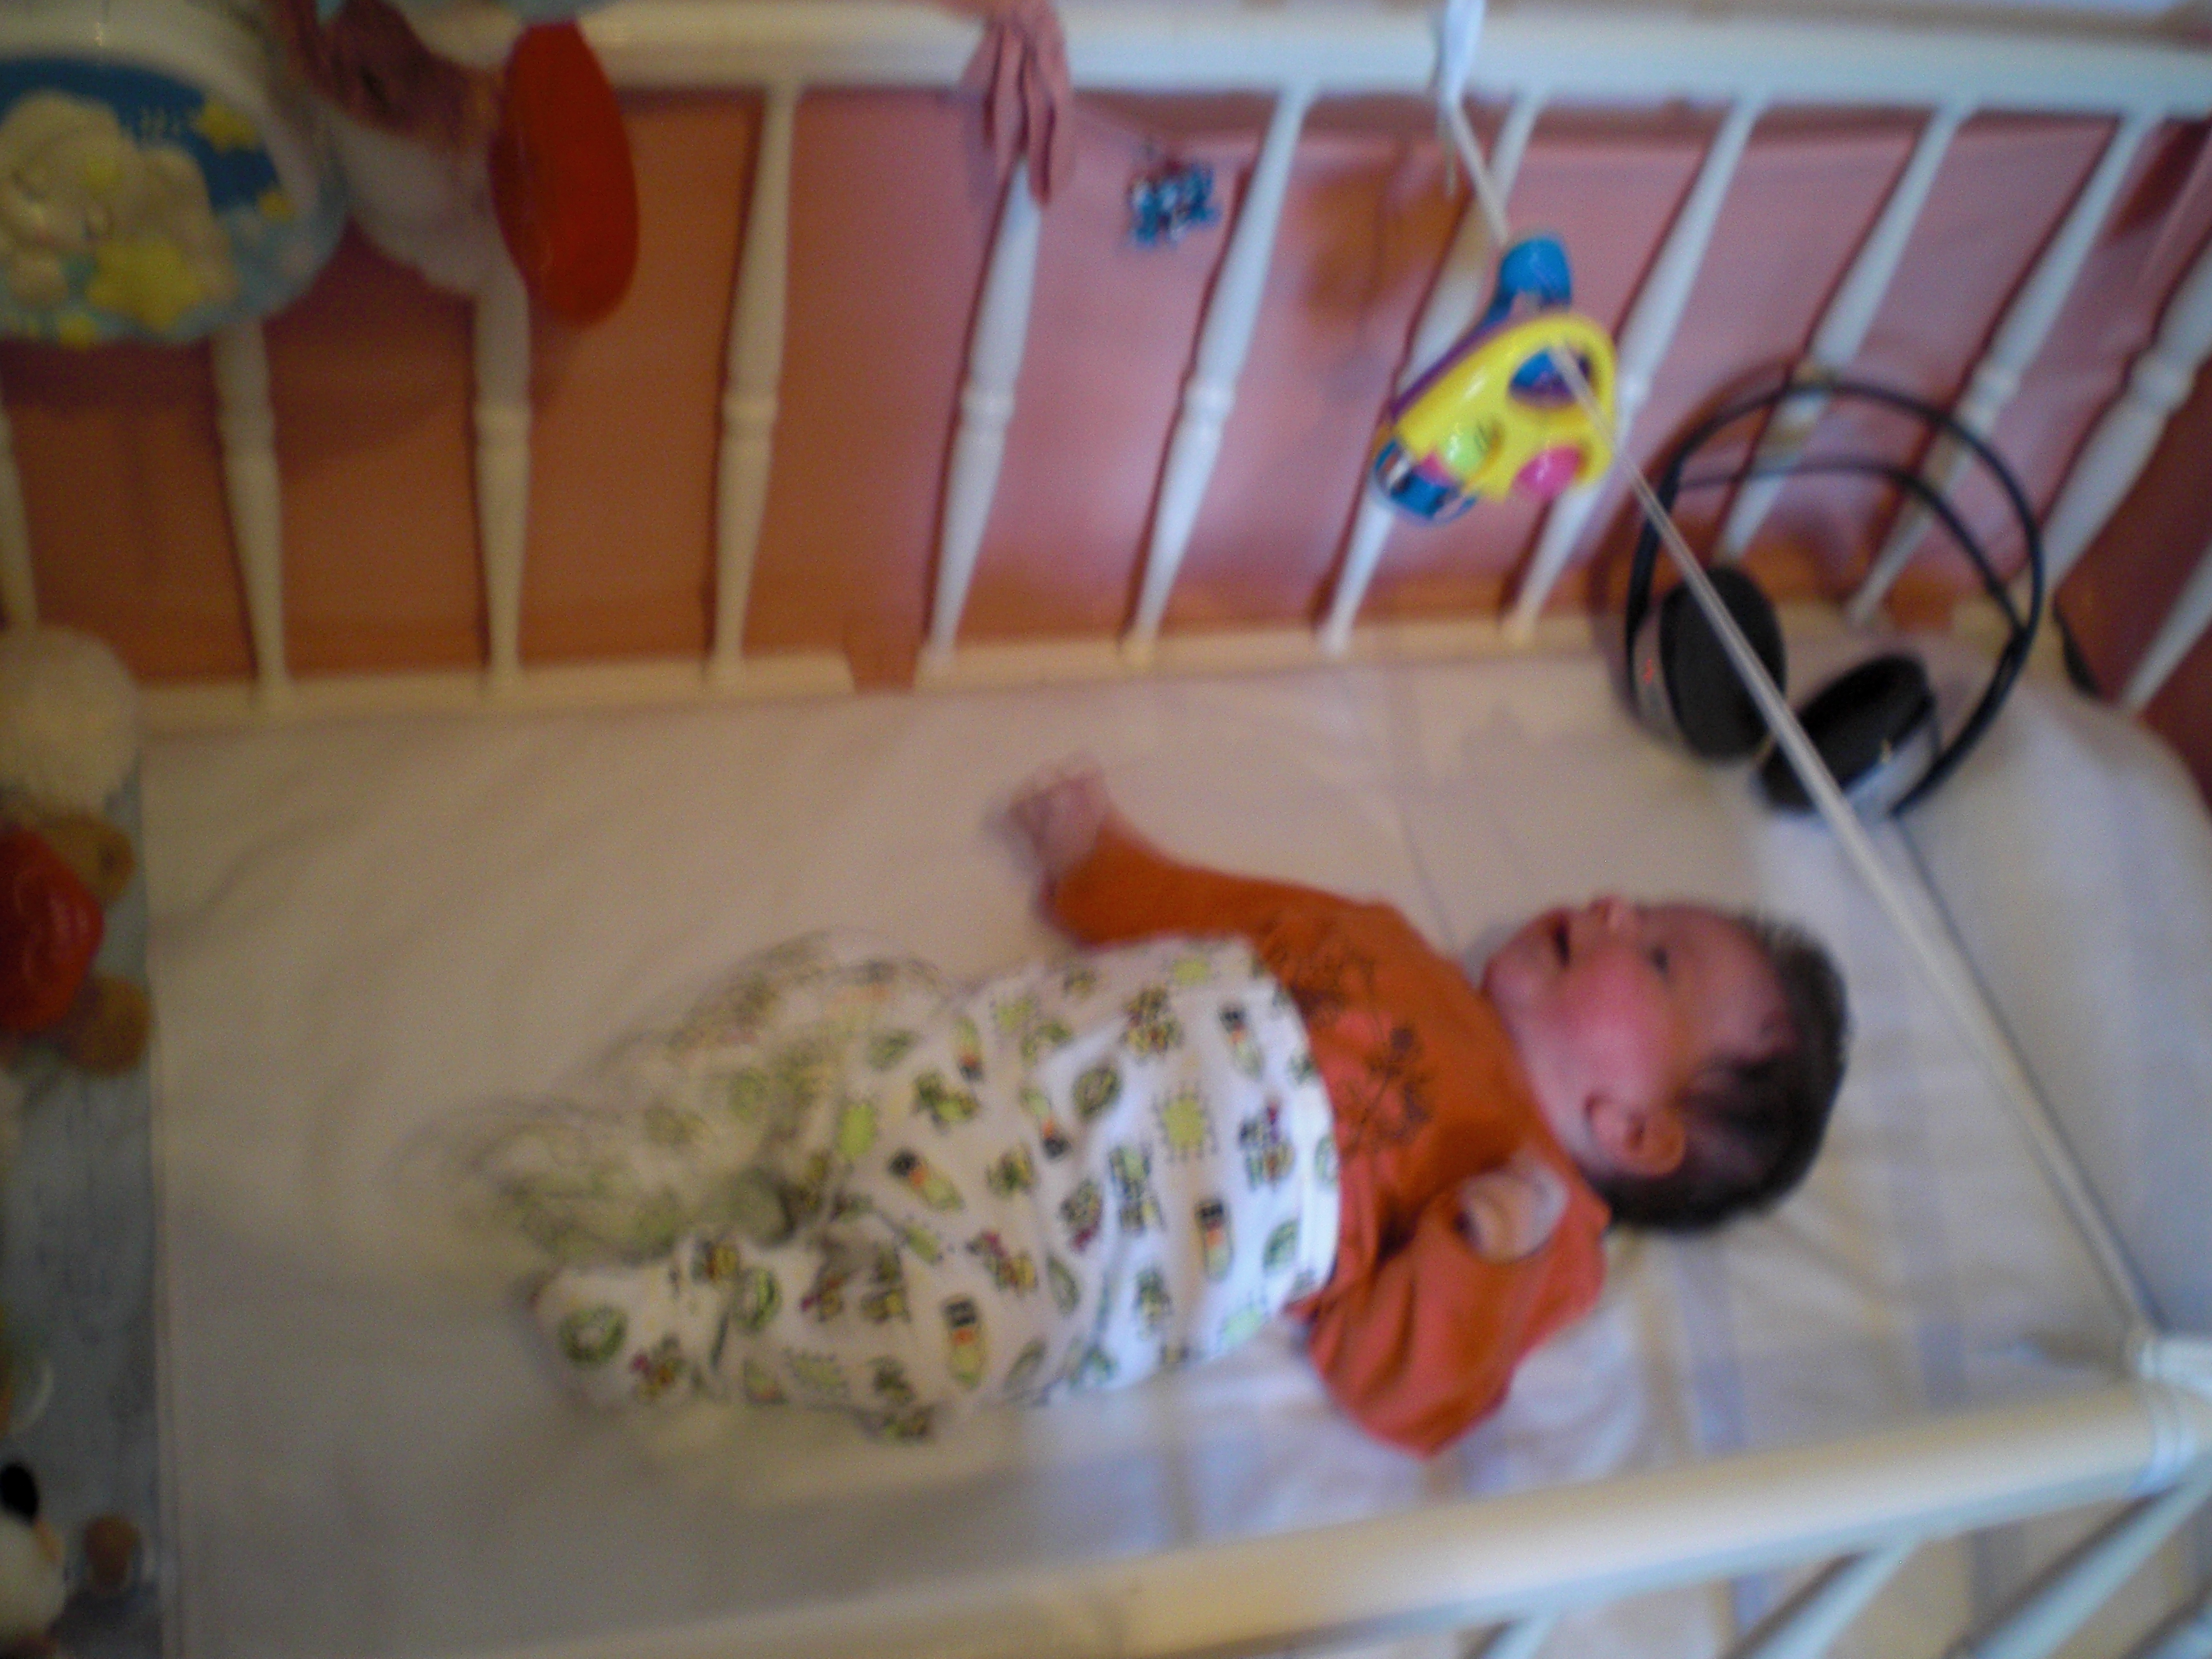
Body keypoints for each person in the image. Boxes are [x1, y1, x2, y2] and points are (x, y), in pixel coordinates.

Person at [488, 766, 1847, 1455]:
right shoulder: (1392, 947)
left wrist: (1483, 1250)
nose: (1611, 905)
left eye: (1656, 955)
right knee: (843, 998)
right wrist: (1102, 860)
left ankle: (706, 1319)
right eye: (1638, 905)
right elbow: (1220, 910)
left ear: (1638, 1131)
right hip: (994, 1066)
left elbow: (1404, 1391)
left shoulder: (1544, 1235)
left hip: (1060, 1257)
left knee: (946, 1346)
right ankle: (653, 1154)